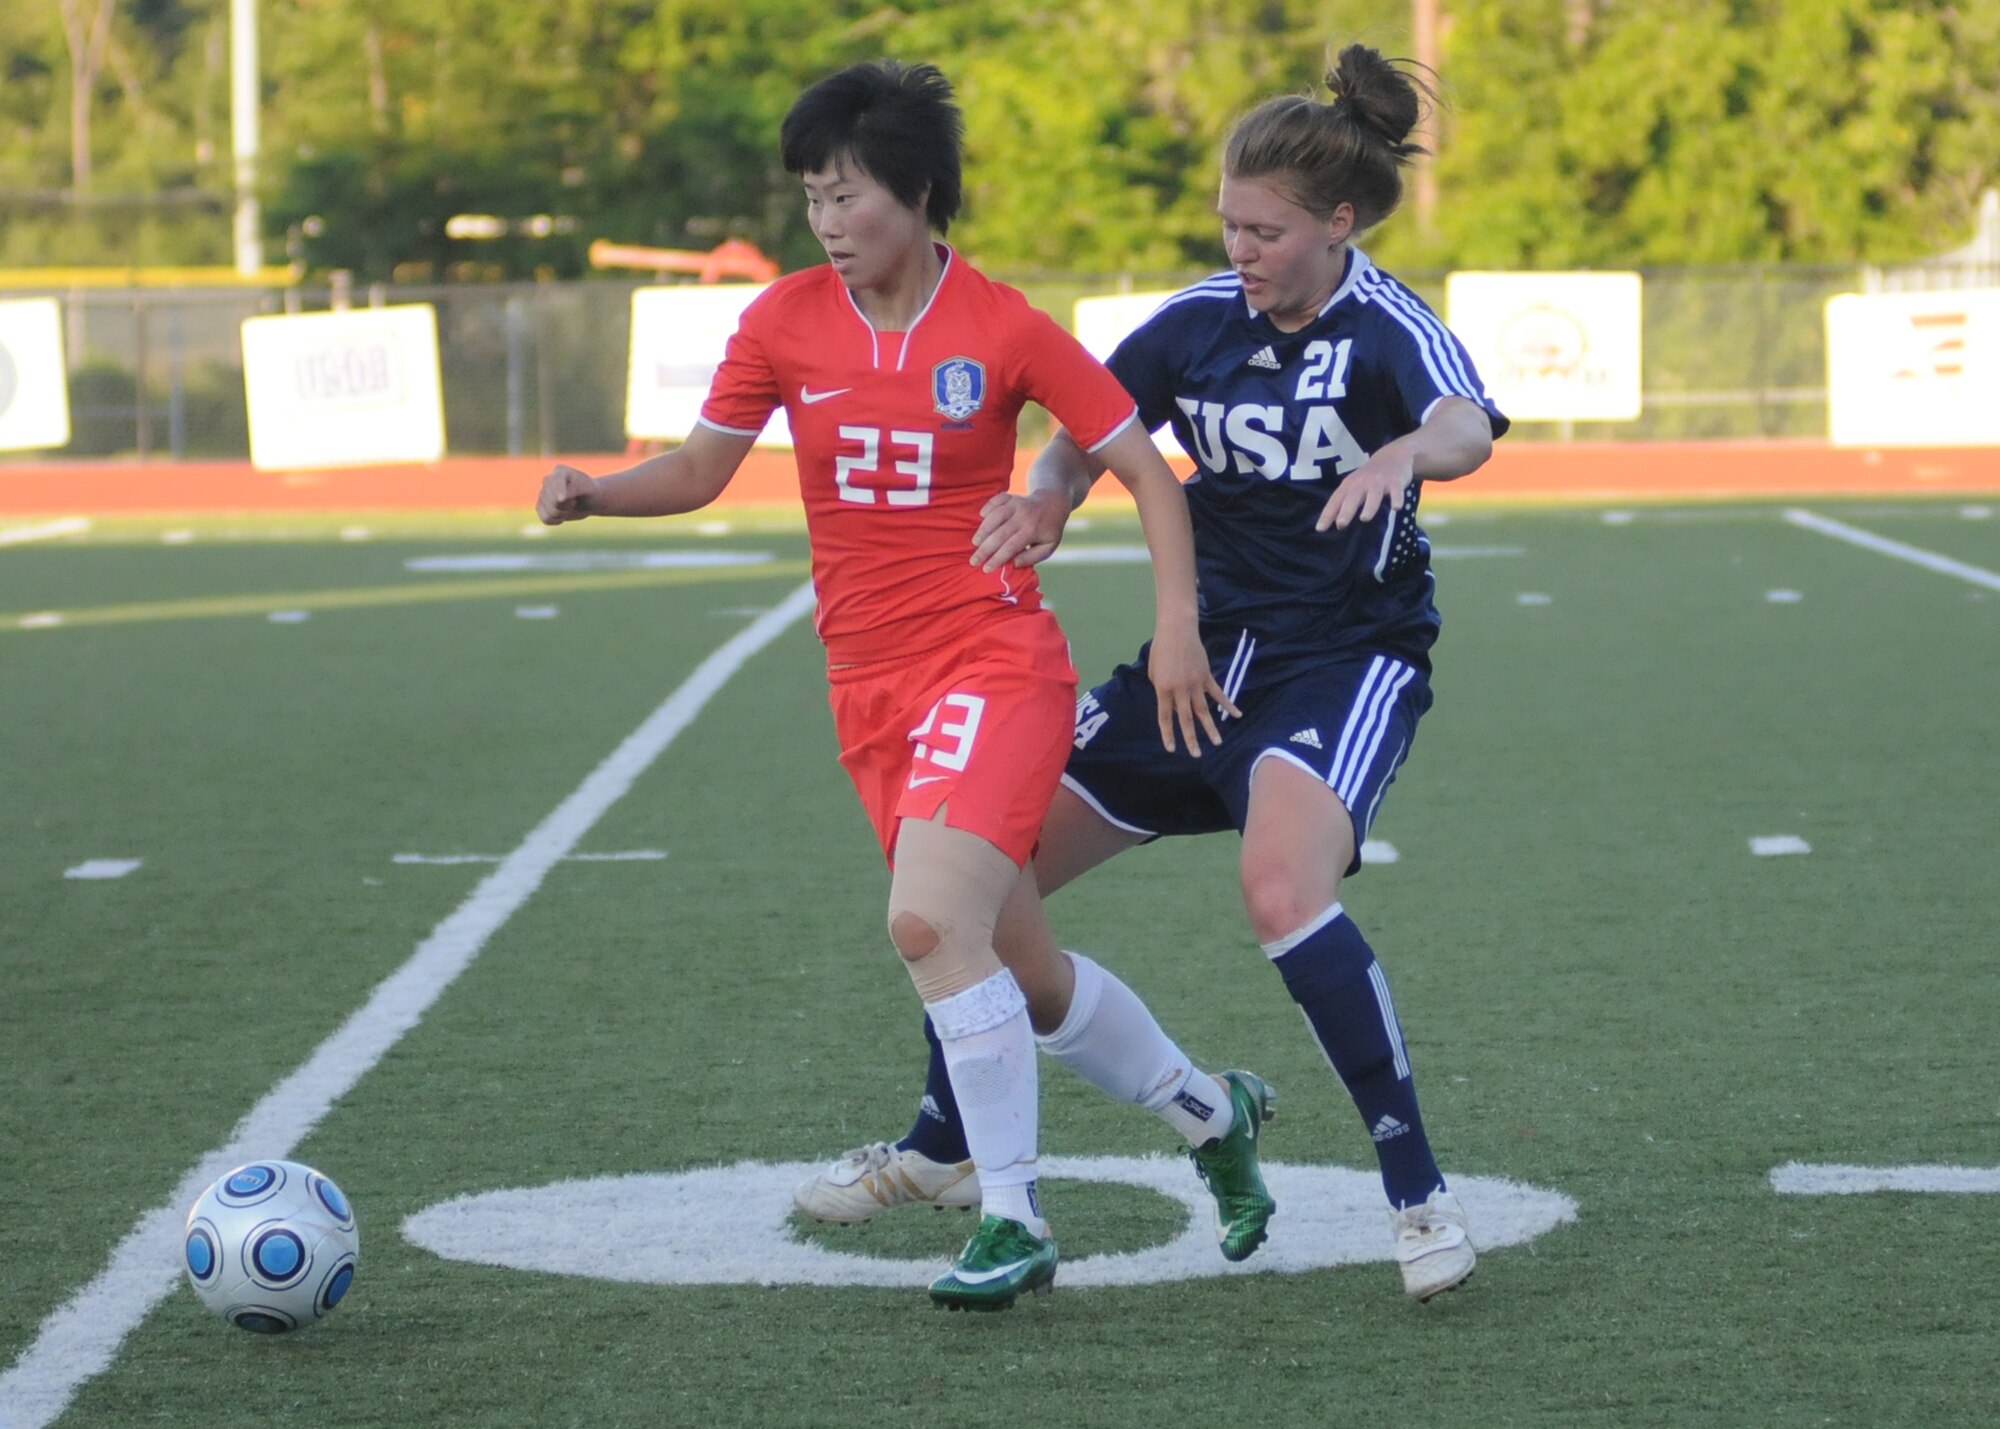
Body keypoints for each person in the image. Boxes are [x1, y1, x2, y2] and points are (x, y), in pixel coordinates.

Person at [538, 60, 1280, 1312]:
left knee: (928, 925)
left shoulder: (1002, 327)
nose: (827, 223)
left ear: (919, 193)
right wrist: (594, 492)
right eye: (811, 198)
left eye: (848, 196)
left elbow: (1150, 476)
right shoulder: (780, 321)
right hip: (866, 687)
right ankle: (1213, 1112)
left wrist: (1173, 627)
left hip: (993, 661)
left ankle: (1011, 1215)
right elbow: (703, 468)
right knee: (1019, 969)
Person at [795, 42, 1508, 1302]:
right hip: (1194, 665)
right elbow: (1084, 435)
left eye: (1264, 230)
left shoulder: (1386, 325)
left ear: (1337, 224)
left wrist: (1403, 453)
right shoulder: (1197, 322)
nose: (1239, 249)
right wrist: (1048, 498)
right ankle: (947, 1144)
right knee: (974, 871)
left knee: (1278, 889)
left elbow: (1462, 422)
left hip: (1340, 663)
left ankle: (1416, 1194)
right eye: (1228, 223)